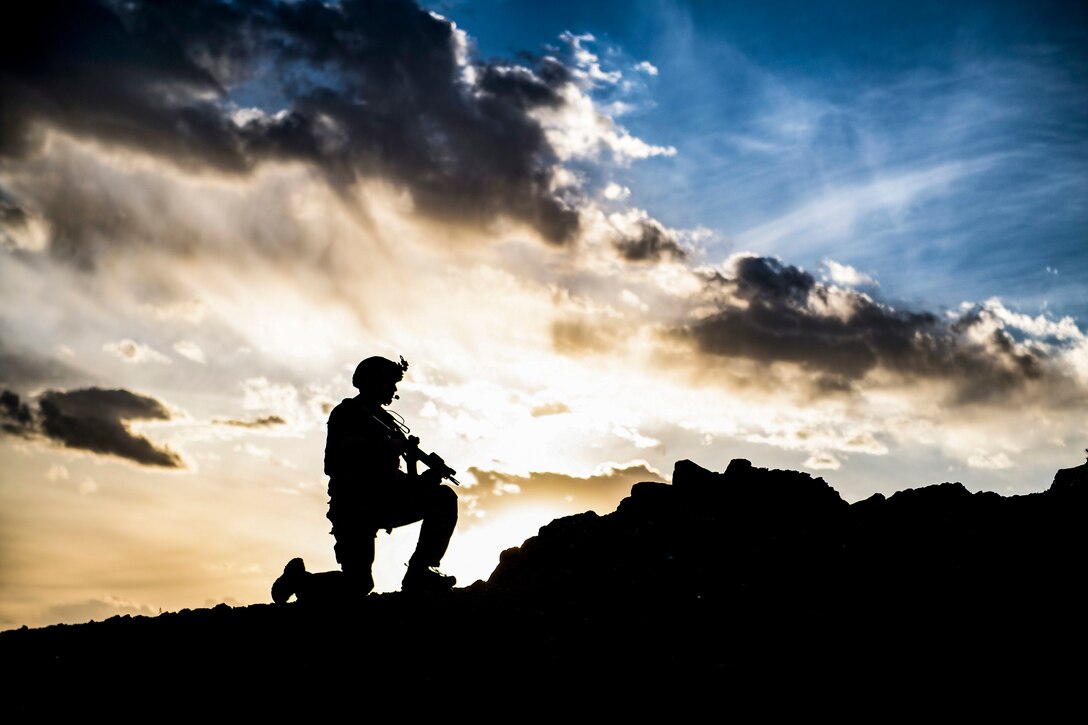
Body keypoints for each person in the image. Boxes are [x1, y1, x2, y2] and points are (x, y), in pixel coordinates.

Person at [273, 355, 459, 602]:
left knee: (443, 498)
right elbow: (333, 464)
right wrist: (385, 446)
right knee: (358, 584)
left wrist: (429, 476)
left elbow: (399, 483)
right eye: (388, 382)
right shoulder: (347, 413)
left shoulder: (388, 422)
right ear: (372, 382)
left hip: (383, 501)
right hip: (354, 509)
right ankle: (300, 581)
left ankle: (420, 573)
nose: (393, 389)